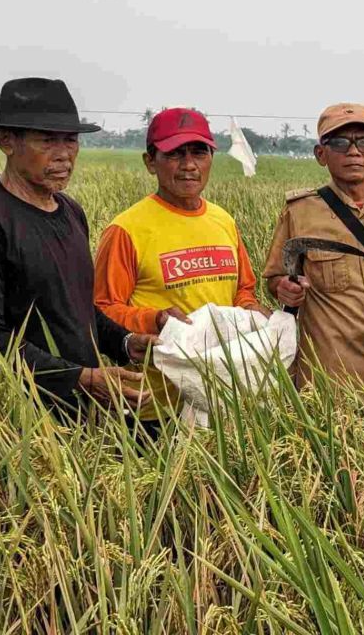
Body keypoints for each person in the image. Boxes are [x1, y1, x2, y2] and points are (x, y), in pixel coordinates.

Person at [0, 78, 153, 417]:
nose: (64, 155)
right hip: (22, 424)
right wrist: (81, 378)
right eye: (47, 140)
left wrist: (127, 343)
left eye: (70, 140)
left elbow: (78, 311)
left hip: (84, 413)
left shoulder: (70, 212)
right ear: (6, 141)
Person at [93, 107, 270, 417]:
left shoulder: (223, 221)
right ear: (150, 162)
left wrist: (252, 310)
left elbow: (243, 290)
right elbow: (102, 311)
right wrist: (155, 319)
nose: (189, 165)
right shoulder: (126, 230)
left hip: (219, 395)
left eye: (199, 153)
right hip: (152, 404)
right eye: (175, 154)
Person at [263, 103, 364, 401]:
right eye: (340, 143)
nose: (354, 151)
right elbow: (274, 277)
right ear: (321, 154)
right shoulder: (301, 213)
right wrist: (283, 288)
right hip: (334, 379)